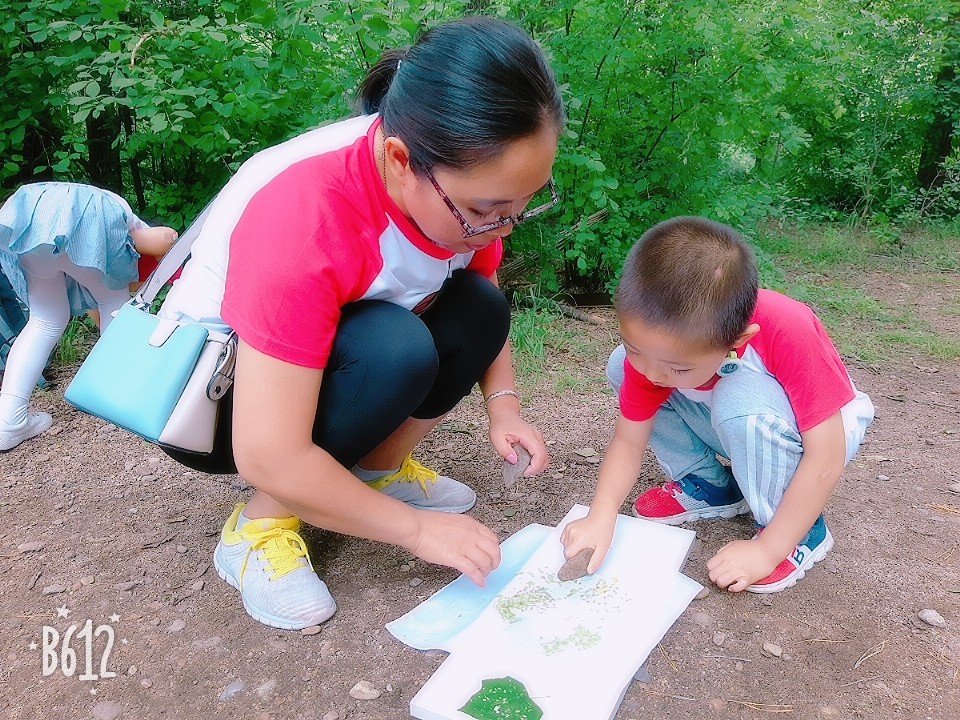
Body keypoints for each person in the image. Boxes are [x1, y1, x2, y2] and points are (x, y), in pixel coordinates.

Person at [157, 16, 560, 630]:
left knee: (478, 309)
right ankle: (257, 529)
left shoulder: (456, 189)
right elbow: (266, 451)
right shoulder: (307, 216)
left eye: (524, 203)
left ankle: (374, 474)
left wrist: (504, 407)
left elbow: (483, 296)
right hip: (216, 400)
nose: (503, 227)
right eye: (488, 210)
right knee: (394, 348)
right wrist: (417, 531)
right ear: (400, 161)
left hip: (319, 363)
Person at [561, 217, 874, 593]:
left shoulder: (789, 327)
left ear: (737, 340)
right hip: (738, 423)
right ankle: (710, 484)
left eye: (678, 367)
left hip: (815, 438)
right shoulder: (656, 354)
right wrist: (601, 514)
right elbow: (628, 442)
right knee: (620, 366)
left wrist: (768, 550)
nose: (651, 373)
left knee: (736, 400)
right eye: (635, 348)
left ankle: (799, 532)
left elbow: (826, 457)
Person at [0, 182, 178, 451]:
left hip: (30, 219)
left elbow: (95, 314)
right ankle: (117, 400)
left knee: (45, 320)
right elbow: (164, 238)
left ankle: (9, 420)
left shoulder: (102, 204)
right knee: (114, 304)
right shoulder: (129, 223)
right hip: (85, 218)